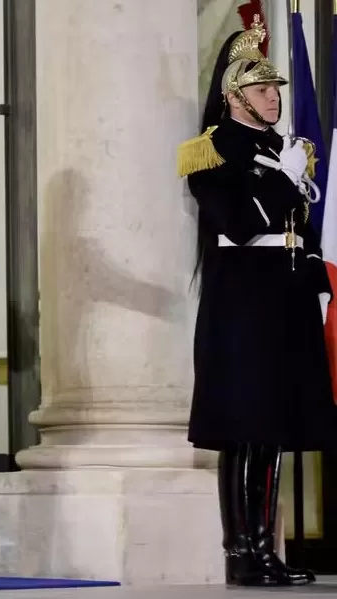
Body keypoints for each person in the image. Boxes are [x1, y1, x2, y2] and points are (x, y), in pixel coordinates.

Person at [177, 16, 337, 588]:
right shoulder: (209, 152)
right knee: (244, 428)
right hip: (242, 303)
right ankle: (241, 553)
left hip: (287, 298)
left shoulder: (287, 149)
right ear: (234, 96)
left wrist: (319, 285)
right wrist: (283, 180)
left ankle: (265, 551)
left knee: (272, 429)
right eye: (261, 89)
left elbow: (304, 230)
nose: (273, 97)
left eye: (275, 89)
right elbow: (241, 224)